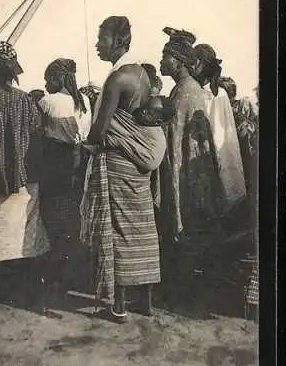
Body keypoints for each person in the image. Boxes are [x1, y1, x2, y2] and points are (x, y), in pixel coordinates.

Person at [80, 16, 165, 322]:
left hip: (117, 162)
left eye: (101, 39)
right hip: (138, 166)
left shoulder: (117, 78)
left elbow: (101, 130)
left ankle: (119, 305)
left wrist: (85, 144)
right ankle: (146, 301)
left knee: (117, 230)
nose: (97, 45)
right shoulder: (140, 73)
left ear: (118, 41)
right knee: (141, 229)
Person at [0, 41, 51, 311]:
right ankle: (32, 295)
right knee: (26, 238)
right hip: (21, 181)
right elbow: (36, 138)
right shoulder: (25, 101)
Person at [159, 28, 223, 243]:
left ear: (178, 61)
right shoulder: (184, 89)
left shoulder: (186, 92)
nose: (161, 61)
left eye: (164, 56)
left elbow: (180, 149)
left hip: (188, 182)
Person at [38, 58, 92, 290]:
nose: (46, 82)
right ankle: (68, 274)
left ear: (58, 78)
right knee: (72, 219)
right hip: (79, 165)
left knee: (52, 218)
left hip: (55, 163)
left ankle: (50, 274)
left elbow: (37, 133)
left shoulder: (47, 101)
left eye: (48, 78)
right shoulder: (86, 101)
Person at [193, 44, 246, 215]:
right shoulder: (201, 91)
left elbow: (222, 138)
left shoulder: (217, 94)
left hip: (214, 155)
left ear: (202, 64)